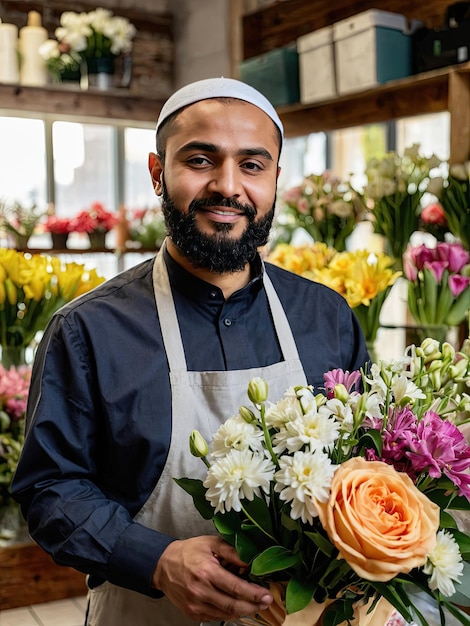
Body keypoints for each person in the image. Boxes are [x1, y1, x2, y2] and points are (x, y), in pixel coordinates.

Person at [12, 77, 369, 626]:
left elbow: (369, 464)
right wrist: (155, 560)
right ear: (158, 173)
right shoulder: (87, 330)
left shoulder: (328, 317)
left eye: (252, 165)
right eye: (200, 160)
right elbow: (50, 489)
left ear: (276, 177)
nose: (228, 186)